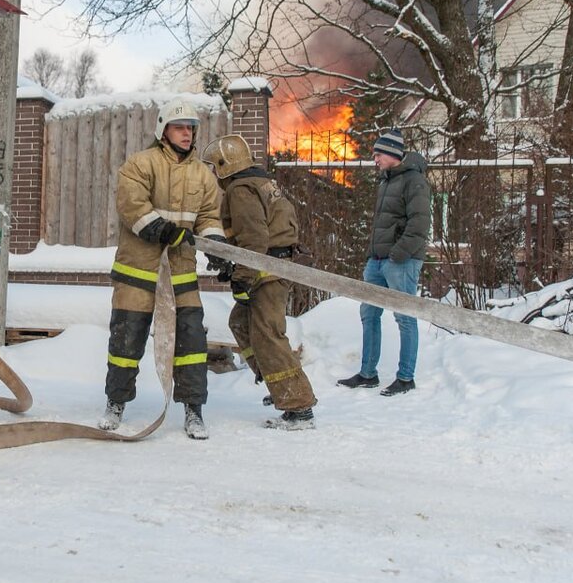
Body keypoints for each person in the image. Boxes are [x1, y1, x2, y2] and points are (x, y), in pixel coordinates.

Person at [97, 100, 224, 440]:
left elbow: (210, 216)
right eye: (180, 126)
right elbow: (131, 205)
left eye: (191, 128)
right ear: (163, 129)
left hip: (181, 276)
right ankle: (115, 404)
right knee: (126, 342)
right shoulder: (140, 164)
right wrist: (162, 230)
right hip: (138, 272)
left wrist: (215, 245)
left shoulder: (202, 175)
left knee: (192, 344)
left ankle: (193, 411)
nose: (188, 133)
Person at [200, 134, 317, 430]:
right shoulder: (262, 182)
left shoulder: (240, 189)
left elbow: (254, 239)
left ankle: (298, 406)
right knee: (240, 323)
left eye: (215, 167)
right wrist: (230, 262)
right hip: (272, 267)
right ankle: (276, 383)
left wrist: (242, 278)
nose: (215, 174)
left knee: (268, 334)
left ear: (226, 165)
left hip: (267, 272)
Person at [337, 128, 431, 396]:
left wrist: (399, 253)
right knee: (369, 313)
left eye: (378, 154)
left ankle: (405, 377)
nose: (375, 159)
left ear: (391, 154)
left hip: (400, 261)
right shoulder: (386, 181)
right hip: (377, 261)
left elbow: (420, 223)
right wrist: (373, 254)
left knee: (404, 317)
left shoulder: (415, 180)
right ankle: (368, 373)